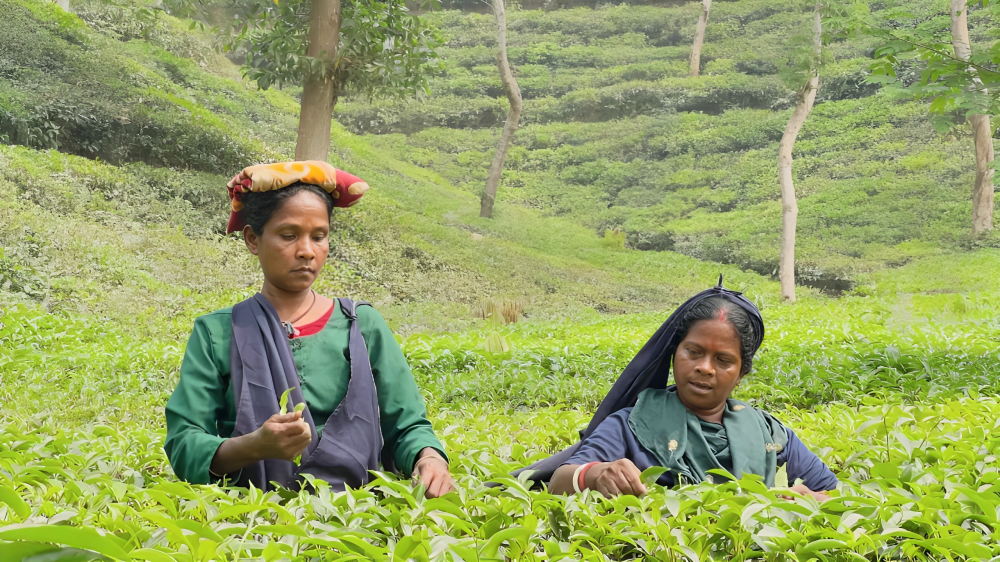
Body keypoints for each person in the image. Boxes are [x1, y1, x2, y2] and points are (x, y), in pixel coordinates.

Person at [164, 161, 452, 498]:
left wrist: (429, 459)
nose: (306, 251)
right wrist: (254, 446)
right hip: (253, 520)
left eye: (319, 236)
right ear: (253, 239)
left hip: (359, 517)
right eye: (288, 235)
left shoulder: (361, 325)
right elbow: (184, 442)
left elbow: (408, 426)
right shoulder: (217, 332)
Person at [523, 279, 837, 499]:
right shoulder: (632, 424)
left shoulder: (771, 434)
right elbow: (560, 481)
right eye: (694, 352)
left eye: (723, 360)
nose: (705, 368)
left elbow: (834, 494)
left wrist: (805, 500)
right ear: (674, 355)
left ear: (741, 373)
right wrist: (596, 473)